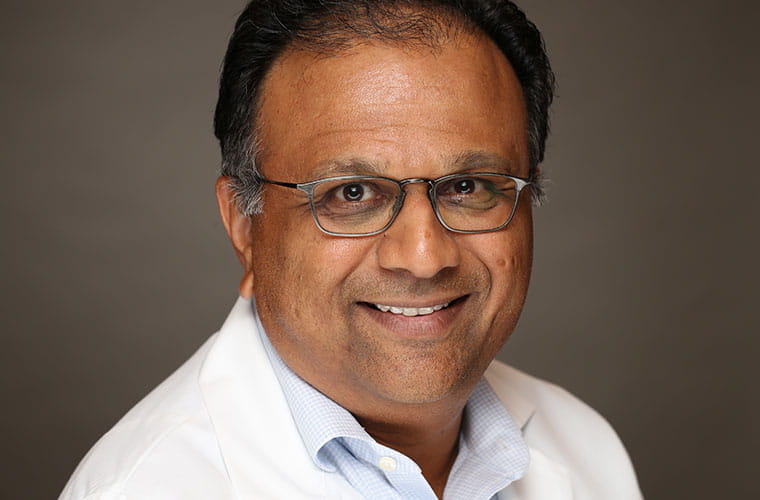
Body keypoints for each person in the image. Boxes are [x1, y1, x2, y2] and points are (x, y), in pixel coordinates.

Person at [61, 1, 643, 498]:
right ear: (244, 228)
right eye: (352, 193)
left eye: (468, 187)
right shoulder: (146, 486)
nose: (423, 256)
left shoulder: (587, 451)